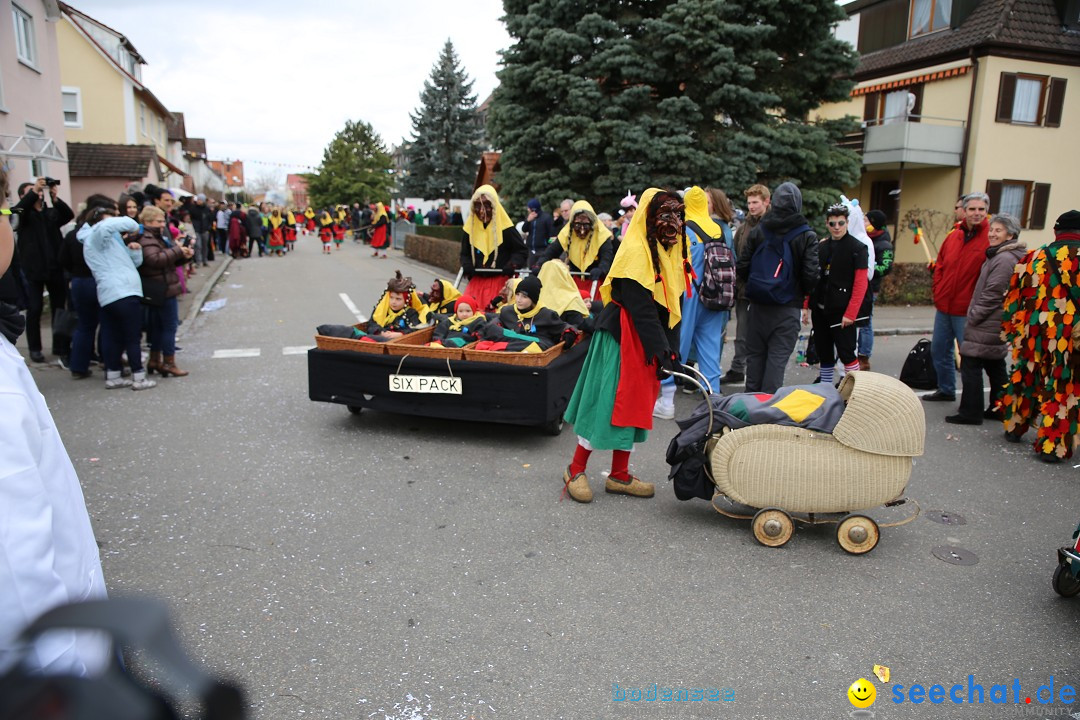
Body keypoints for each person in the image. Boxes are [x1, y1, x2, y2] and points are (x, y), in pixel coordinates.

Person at [0, 167, 110, 677]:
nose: (12, 222)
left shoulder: (53, 217)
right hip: (45, 674)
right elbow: (14, 561)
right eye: (6, 210)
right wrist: (66, 680)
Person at [562, 188, 690, 503]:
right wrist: (660, 350)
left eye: (677, 214)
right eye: (665, 214)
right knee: (605, 403)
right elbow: (641, 307)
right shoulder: (635, 251)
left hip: (646, 340)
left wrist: (671, 349)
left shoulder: (667, 252)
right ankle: (575, 468)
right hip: (621, 337)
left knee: (634, 404)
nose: (672, 222)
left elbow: (672, 304)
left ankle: (619, 474)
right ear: (649, 217)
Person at [1001, 210, 1080, 461]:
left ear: (1056, 232)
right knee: (1062, 385)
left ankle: (1014, 425)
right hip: (1069, 337)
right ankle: (1052, 444)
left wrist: (1013, 331)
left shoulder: (1032, 257)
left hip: (1033, 332)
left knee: (1027, 375)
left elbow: (1013, 299)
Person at [654, 186, 732, 419]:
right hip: (714, 296)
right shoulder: (719, 229)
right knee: (710, 347)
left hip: (688, 296)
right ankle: (714, 402)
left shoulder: (684, 228)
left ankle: (667, 402)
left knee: (676, 345)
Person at [735, 182, 819, 394]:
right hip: (787, 308)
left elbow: (742, 265)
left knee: (754, 361)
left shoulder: (760, 230)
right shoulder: (806, 235)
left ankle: (750, 412)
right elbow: (811, 276)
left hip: (757, 306)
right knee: (776, 363)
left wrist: (755, 285)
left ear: (773, 202)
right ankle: (767, 415)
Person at [946, 214, 1026, 426]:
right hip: (996, 320)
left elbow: (993, 292)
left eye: (998, 230)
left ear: (1011, 234)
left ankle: (970, 413)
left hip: (988, 320)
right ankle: (1000, 408)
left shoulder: (1004, 258)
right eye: (991, 230)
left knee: (971, 363)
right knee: (994, 364)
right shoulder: (1004, 255)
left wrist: (974, 315)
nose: (992, 234)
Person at [925, 191, 990, 402]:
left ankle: (972, 402)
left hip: (968, 309)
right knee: (939, 350)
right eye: (972, 209)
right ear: (964, 211)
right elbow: (941, 265)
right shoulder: (954, 236)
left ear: (987, 211)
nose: (976, 213)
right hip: (945, 306)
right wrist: (938, 289)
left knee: (970, 359)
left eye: (981, 209)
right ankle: (946, 389)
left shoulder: (991, 238)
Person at [80, 205, 151, 389]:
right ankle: (139, 377)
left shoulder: (107, 242)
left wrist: (135, 251)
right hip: (122, 291)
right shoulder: (96, 237)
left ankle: (113, 375)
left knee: (113, 336)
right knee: (132, 336)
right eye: (110, 218)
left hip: (111, 293)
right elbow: (107, 226)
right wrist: (132, 224)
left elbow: (132, 264)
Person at [12, 178, 74, 364]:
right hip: (33, 271)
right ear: (24, 196)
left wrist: (55, 198)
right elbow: (19, 209)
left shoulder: (50, 212)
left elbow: (68, 214)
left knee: (58, 308)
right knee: (35, 309)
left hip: (54, 268)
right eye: (32, 192)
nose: (38, 193)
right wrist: (33, 191)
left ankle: (60, 346)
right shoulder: (22, 215)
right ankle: (35, 348)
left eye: (39, 191)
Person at [809, 203, 869, 386]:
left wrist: (851, 313)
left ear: (847, 223)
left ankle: (854, 391)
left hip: (842, 311)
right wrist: (806, 306)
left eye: (841, 223)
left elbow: (861, 284)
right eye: (832, 223)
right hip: (820, 309)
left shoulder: (858, 248)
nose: (837, 227)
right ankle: (826, 388)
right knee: (824, 352)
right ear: (827, 224)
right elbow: (814, 278)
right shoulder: (822, 247)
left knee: (846, 353)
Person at [59, 195, 117, 379]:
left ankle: (78, 366)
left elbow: (62, 260)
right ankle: (109, 364)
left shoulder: (73, 234)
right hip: (99, 281)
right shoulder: (104, 236)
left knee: (84, 326)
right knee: (107, 324)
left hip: (79, 282)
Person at [138, 206, 191, 379]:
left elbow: (166, 261)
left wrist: (183, 255)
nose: (162, 224)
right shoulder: (147, 238)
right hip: (161, 288)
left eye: (163, 221)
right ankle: (169, 363)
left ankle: (155, 360)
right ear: (147, 221)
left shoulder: (153, 237)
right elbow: (155, 260)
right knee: (169, 326)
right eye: (158, 221)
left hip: (159, 287)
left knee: (158, 327)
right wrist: (177, 251)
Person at [725, 184, 770, 385]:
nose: (751, 206)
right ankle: (737, 368)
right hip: (744, 288)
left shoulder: (772, 226)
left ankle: (758, 371)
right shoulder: (743, 228)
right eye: (749, 202)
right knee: (741, 333)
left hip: (766, 290)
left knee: (762, 334)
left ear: (766, 202)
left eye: (755, 202)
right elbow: (736, 256)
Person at [459, 185, 527, 310]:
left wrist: (512, 265)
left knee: (495, 317)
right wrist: (467, 264)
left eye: (486, 205)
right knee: (469, 315)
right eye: (478, 205)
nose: (482, 211)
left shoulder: (506, 229)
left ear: (494, 206)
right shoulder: (470, 230)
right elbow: (464, 253)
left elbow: (521, 251)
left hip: (499, 282)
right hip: (476, 283)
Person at [537, 199, 614, 301]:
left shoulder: (601, 234)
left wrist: (602, 269)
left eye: (585, 225)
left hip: (596, 282)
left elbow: (607, 256)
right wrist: (539, 264)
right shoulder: (567, 232)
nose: (582, 230)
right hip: (574, 282)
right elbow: (552, 251)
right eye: (578, 225)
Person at [479, 275, 571, 352]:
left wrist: (569, 333)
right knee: (491, 329)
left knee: (541, 344)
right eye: (517, 295)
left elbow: (564, 328)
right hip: (514, 344)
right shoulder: (507, 311)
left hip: (535, 345)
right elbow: (495, 324)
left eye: (524, 297)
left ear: (533, 300)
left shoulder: (546, 314)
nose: (519, 300)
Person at [856, 209, 894, 370]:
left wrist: (867, 269)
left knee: (866, 322)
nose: (864, 223)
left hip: (871, 288)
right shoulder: (864, 239)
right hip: (860, 286)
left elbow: (885, 267)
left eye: (867, 221)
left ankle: (864, 356)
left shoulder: (883, 243)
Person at [364, 271, 424, 340]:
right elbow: (371, 323)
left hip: (398, 343)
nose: (393, 302)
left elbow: (415, 329)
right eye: (391, 297)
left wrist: (400, 334)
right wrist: (381, 332)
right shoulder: (381, 309)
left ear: (406, 300)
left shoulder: (411, 313)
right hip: (379, 338)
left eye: (398, 299)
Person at [523, 197, 554, 268]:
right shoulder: (530, 217)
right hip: (531, 251)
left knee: (541, 271)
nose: (528, 210)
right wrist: (528, 221)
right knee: (531, 271)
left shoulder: (546, 218)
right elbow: (524, 229)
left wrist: (548, 247)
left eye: (529, 208)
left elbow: (551, 234)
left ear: (533, 209)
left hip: (542, 250)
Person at [189, 193, 213, 267]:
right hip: (197, 229)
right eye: (198, 199)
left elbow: (210, 219)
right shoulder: (193, 208)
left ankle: (205, 260)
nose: (199, 201)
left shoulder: (207, 209)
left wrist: (208, 227)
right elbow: (191, 218)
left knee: (205, 246)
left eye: (200, 200)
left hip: (205, 230)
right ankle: (198, 261)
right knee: (198, 246)